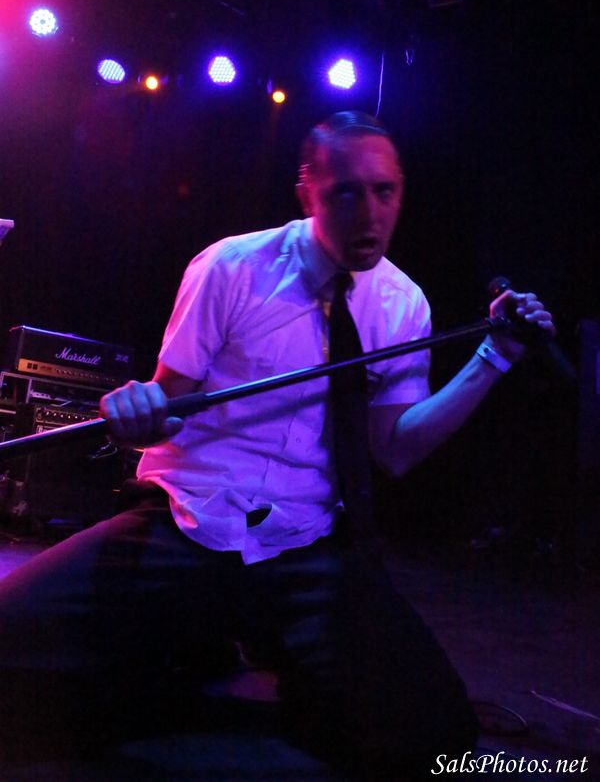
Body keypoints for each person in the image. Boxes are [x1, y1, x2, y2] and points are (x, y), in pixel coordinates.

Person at [0, 111, 554, 778]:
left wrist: (494, 358)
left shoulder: (403, 304)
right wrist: (139, 407)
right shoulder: (232, 267)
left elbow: (395, 448)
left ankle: (209, 665)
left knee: (437, 732)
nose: (370, 214)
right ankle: (190, 656)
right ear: (307, 192)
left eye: (385, 191)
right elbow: (168, 403)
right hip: (188, 521)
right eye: (346, 192)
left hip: (302, 542)